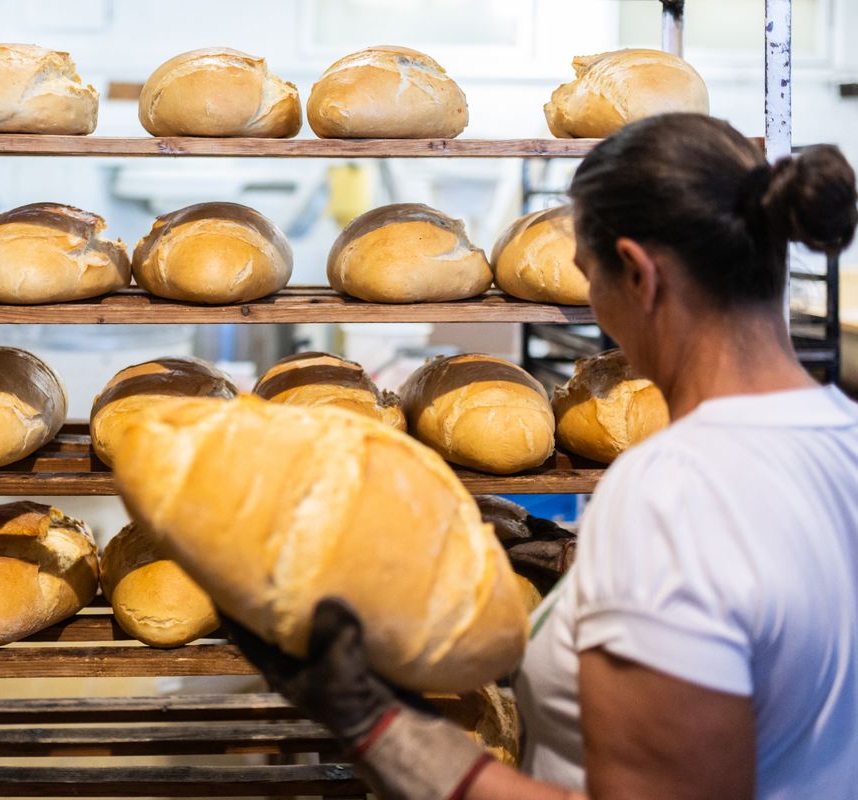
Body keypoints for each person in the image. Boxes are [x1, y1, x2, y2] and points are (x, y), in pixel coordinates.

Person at [226, 113, 858, 800]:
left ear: (640, 276)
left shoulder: (669, 491)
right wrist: (578, 577)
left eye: (591, 279)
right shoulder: (843, 440)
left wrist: (376, 723)